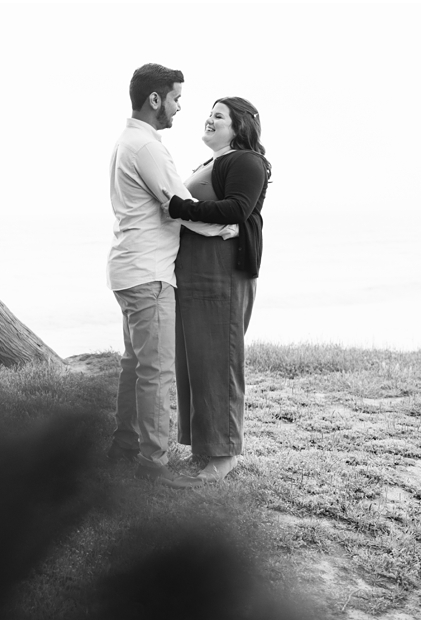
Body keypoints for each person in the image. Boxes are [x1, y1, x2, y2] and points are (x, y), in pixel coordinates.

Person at [105, 64, 234, 485]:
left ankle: (124, 447)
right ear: (155, 99)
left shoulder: (129, 142)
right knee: (156, 372)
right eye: (176, 98)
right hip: (150, 275)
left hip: (129, 270)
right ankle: (153, 466)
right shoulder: (147, 148)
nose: (180, 108)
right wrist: (224, 227)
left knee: (135, 367)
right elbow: (180, 205)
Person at [160, 97, 271, 488]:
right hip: (195, 271)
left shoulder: (244, 160)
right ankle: (203, 449)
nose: (209, 119)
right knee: (195, 363)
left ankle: (222, 459)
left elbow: (237, 210)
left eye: (219, 116)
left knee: (217, 362)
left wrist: (180, 208)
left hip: (221, 271)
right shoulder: (210, 162)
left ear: (239, 126)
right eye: (209, 114)